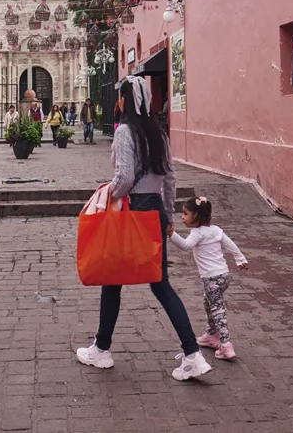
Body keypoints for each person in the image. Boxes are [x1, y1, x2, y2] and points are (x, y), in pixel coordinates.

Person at [76, 76, 211, 382]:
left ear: (126, 100)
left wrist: (106, 194)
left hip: (131, 209)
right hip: (154, 211)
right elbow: (171, 178)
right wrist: (167, 213)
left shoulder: (125, 132)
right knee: (161, 284)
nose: (119, 102)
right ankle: (192, 354)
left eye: (120, 97)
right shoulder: (159, 133)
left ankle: (103, 350)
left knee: (112, 279)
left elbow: (123, 178)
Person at [169, 196, 248, 360]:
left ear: (196, 216)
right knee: (209, 303)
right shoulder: (216, 230)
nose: (183, 217)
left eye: (185, 214)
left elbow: (185, 246)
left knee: (218, 310)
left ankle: (226, 345)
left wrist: (172, 234)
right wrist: (240, 259)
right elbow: (230, 244)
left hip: (212, 280)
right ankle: (211, 335)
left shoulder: (197, 233)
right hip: (224, 277)